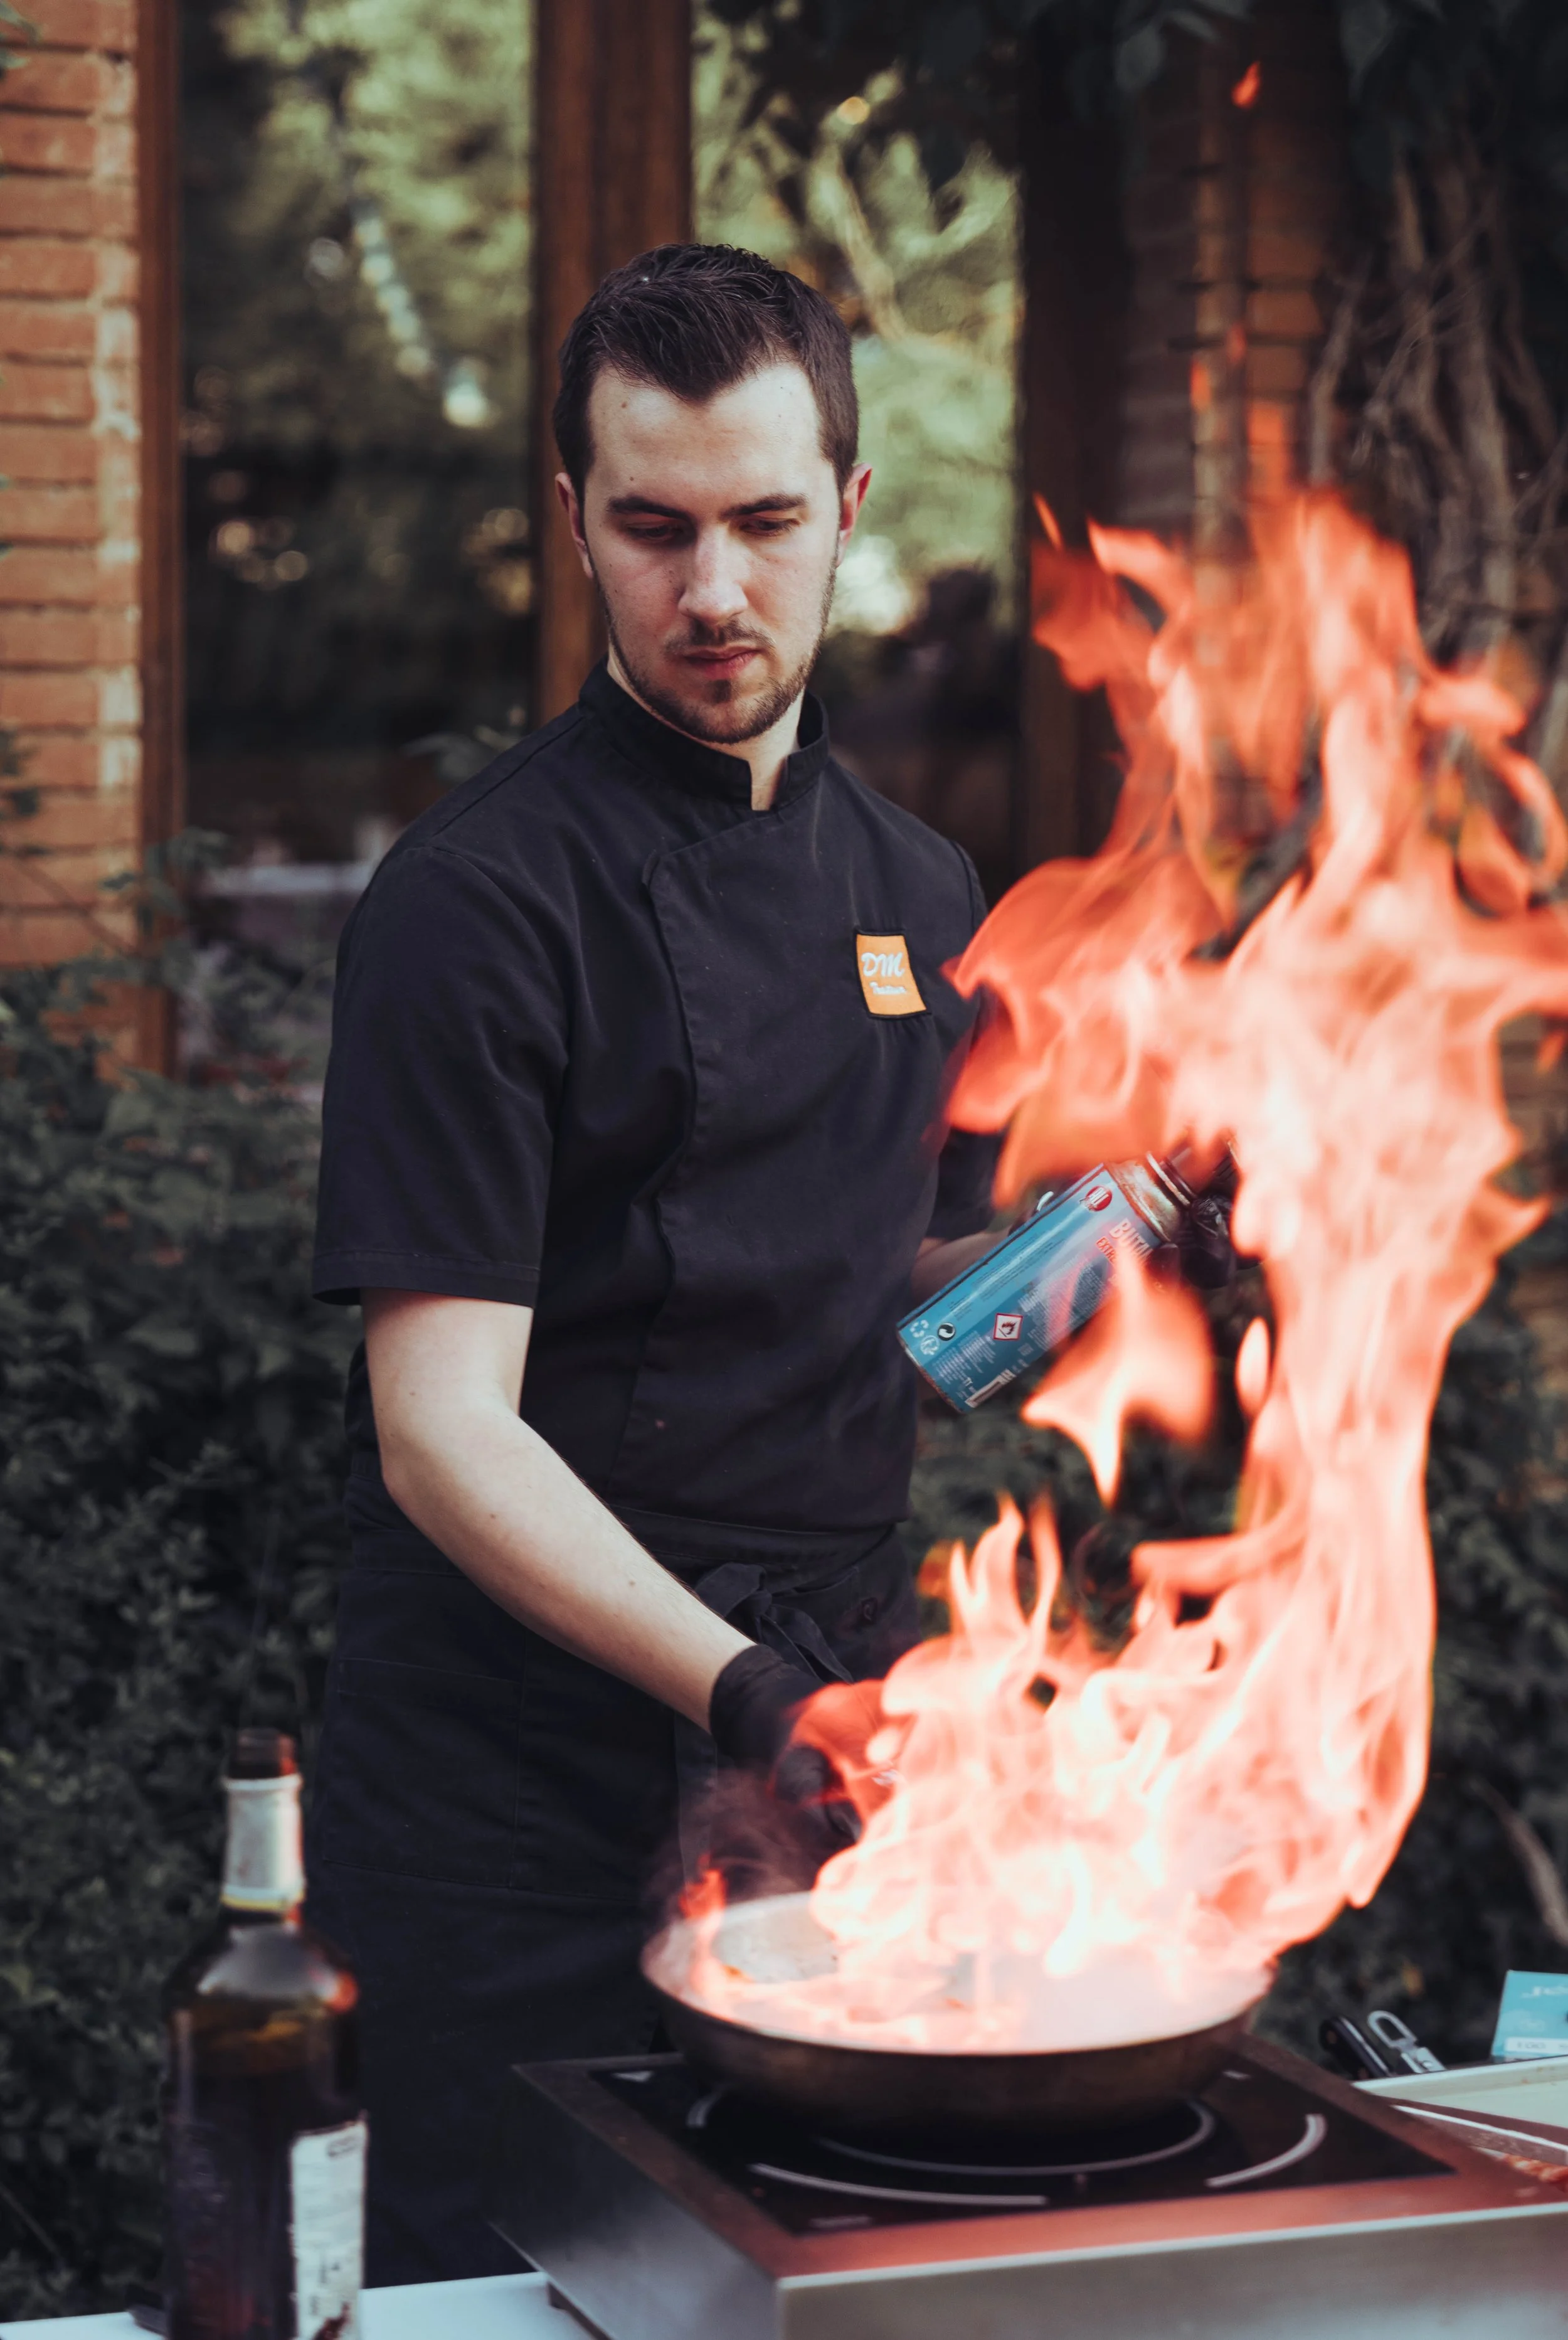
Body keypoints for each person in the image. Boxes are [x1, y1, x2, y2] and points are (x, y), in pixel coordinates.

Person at [307, 242, 1002, 2283]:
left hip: (816, 1778)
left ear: (852, 513)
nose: (715, 592)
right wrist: (753, 1693)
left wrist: (1122, 1250)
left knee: (822, 2292)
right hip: (519, 1808)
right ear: (575, 523)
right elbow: (443, 1435)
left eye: (769, 524)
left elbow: (885, 1303)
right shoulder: (478, 902)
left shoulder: (917, 886)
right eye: (657, 528)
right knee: (500, 2304)